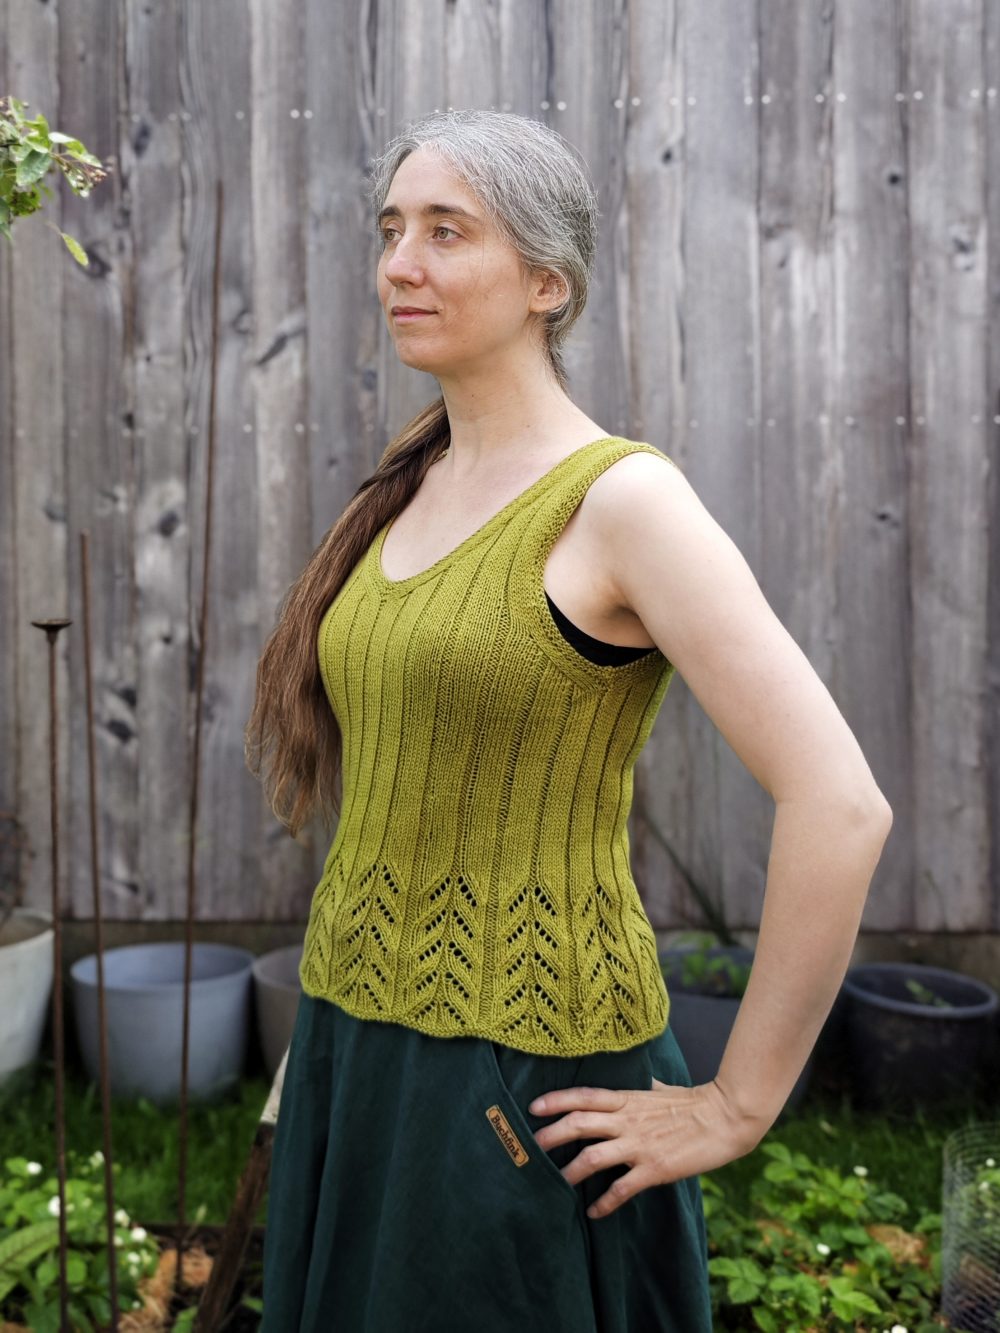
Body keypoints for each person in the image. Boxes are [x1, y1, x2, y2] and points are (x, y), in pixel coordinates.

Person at [246, 107, 893, 1333]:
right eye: (391, 230)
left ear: (547, 282)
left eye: (447, 232)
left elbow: (841, 803)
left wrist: (736, 1105)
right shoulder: (414, 483)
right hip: (356, 1042)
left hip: (521, 1072)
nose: (400, 264)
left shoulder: (622, 503)